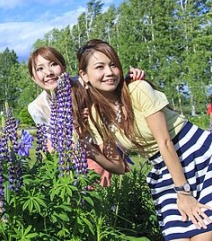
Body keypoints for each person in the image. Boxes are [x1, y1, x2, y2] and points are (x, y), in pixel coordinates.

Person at [77, 39, 212, 241]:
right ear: (84, 75)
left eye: (113, 64)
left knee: (203, 233)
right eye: (100, 67)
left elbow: (165, 142)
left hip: (199, 153)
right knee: (178, 237)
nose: (109, 72)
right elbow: (119, 166)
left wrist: (184, 194)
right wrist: (92, 152)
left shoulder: (137, 89)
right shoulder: (97, 115)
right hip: (165, 168)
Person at [27, 46, 144, 186]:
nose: (48, 72)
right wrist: (74, 128)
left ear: (63, 67)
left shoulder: (82, 83)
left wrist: (128, 79)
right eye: (40, 69)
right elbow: (50, 144)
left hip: (101, 146)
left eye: (53, 64)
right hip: (67, 155)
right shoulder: (37, 107)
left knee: (99, 190)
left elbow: (110, 88)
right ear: (33, 78)